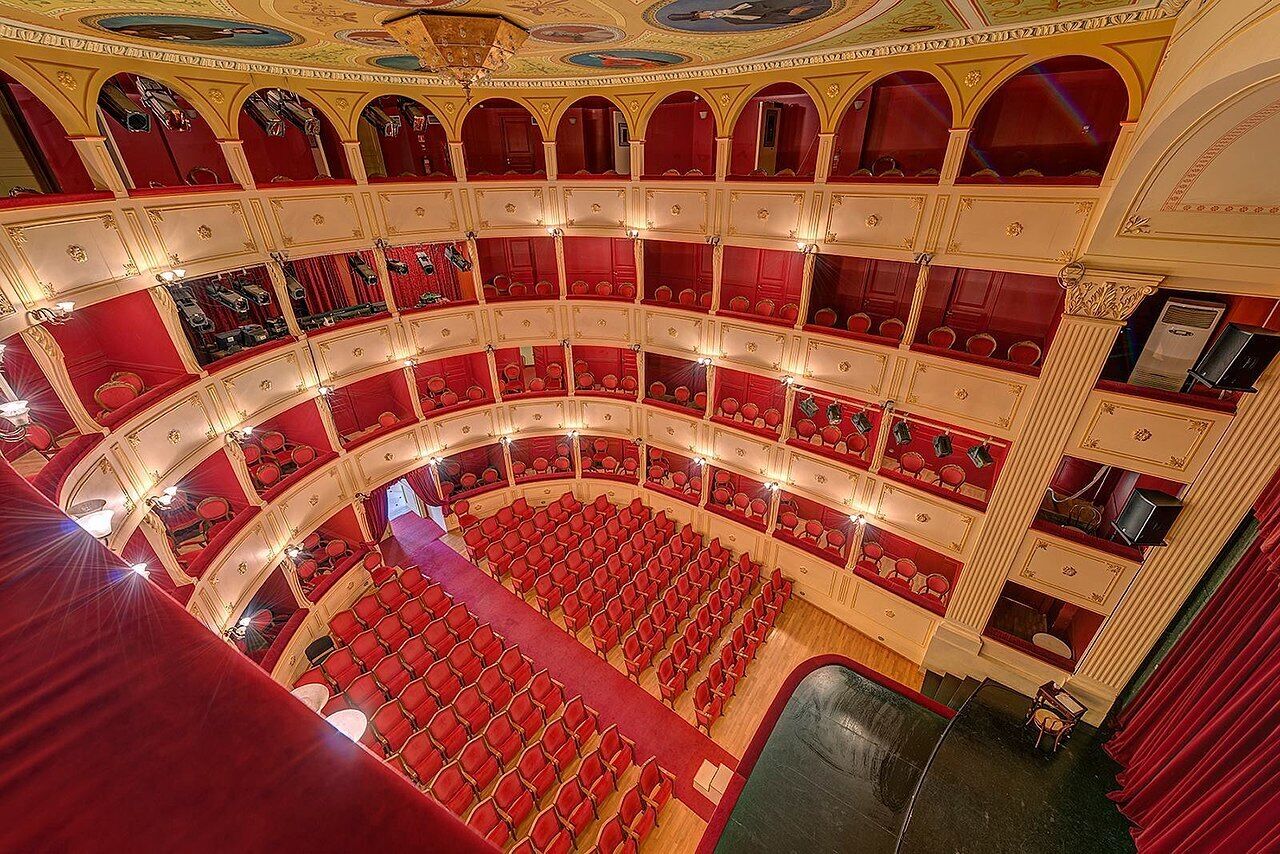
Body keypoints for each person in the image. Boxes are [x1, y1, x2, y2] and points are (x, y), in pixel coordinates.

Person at [666, 1, 825, 26]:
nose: (706, 14)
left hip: (777, 4)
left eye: (703, 12)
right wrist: (789, 15)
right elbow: (762, 21)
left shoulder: (732, 8)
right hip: (782, 13)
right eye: (703, 16)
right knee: (817, 8)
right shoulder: (733, 21)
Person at [107, 21, 273, 42]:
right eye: (250, 30)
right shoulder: (219, 29)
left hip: (168, 33)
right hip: (167, 29)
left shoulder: (223, 34)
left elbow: (197, 38)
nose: (246, 32)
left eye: (250, 33)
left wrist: (177, 37)